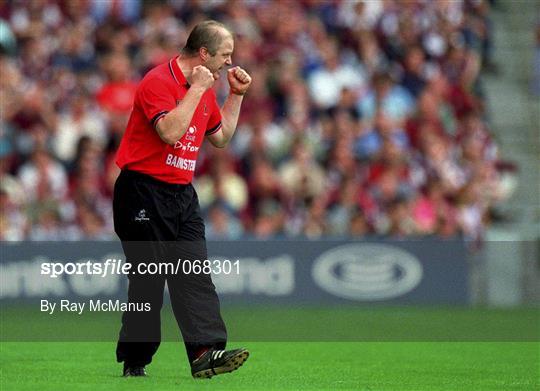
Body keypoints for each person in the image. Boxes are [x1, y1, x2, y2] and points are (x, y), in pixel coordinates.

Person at [113, 20, 252, 378]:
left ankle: (206, 352)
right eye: (225, 55)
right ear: (204, 54)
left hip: (181, 194)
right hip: (142, 190)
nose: (230, 62)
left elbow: (220, 138)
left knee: (194, 274)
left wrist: (234, 96)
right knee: (149, 279)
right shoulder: (157, 82)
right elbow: (170, 132)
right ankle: (136, 359)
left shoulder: (206, 88)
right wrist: (197, 89)